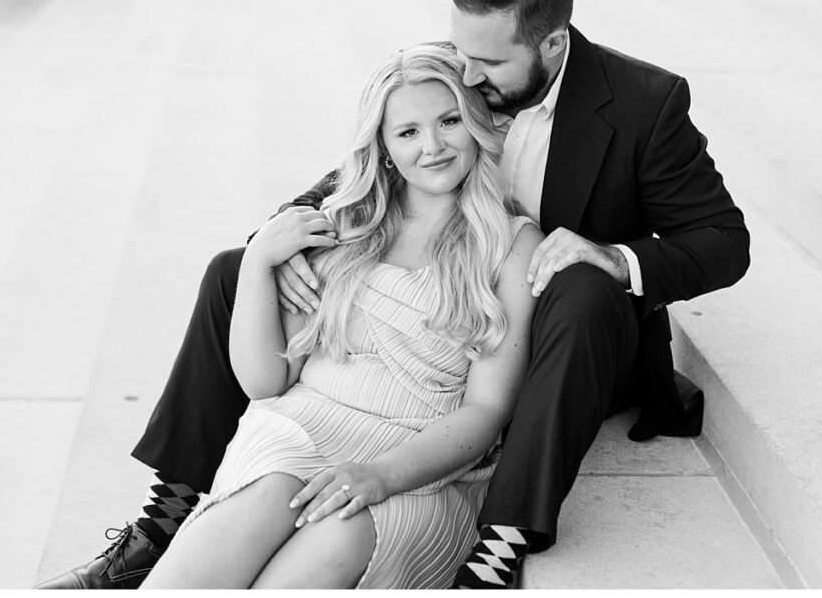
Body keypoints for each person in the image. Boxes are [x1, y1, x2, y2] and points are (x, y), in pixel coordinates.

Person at [36, 0, 749, 590]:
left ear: (553, 45)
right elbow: (373, 161)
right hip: (408, 328)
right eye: (459, 54)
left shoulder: (645, 104)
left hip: (560, 336)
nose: (466, 75)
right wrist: (273, 246)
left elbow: (723, 240)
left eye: (487, 64)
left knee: (584, 287)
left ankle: (502, 537)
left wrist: (614, 254)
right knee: (235, 265)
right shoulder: (460, 73)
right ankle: (170, 513)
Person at [134, 43, 538, 588]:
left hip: (415, 464)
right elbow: (265, 381)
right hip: (299, 429)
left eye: (449, 121)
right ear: (385, 149)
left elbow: (487, 410)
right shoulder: (345, 225)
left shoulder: (509, 245)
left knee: (322, 555)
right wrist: (258, 263)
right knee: (204, 562)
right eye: (409, 132)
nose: (434, 146)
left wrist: (378, 476)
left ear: (475, 122)